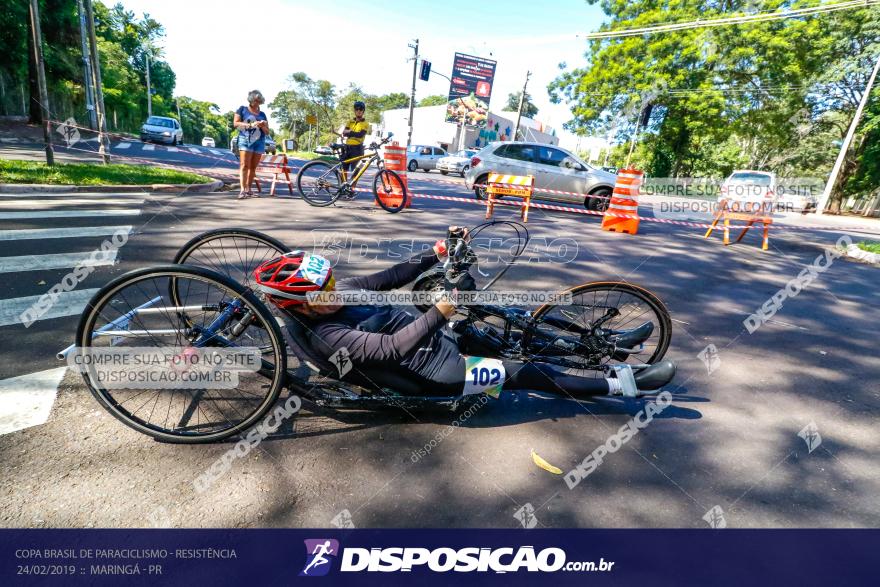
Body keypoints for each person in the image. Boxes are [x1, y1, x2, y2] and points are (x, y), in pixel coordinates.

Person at [254, 228, 676, 399]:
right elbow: (389, 348)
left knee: (504, 320)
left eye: (330, 280)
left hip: (440, 339)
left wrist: (432, 255)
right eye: (322, 289)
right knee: (521, 374)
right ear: (300, 304)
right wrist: (442, 308)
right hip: (437, 373)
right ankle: (621, 385)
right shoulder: (328, 335)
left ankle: (609, 344)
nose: (334, 287)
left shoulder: (337, 293)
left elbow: (386, 277)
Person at [233, 90, 270, 199]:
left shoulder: (263, 114)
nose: (257, 103)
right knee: (244, 165)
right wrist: (251, 125)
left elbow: (267, 132)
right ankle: (242, 190)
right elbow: (235, 124)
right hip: (245, 139)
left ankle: (249, 189)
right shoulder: (242, 109)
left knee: (253, 167)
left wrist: (262, 125)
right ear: (251, 100)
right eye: (255, 101)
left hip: (259, 141)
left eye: (259, 101)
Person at [336, 100, 370, 173]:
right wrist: (351, 133)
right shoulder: (350, 121)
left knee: (355, 172)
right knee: (343, 170)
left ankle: (353, 185)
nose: (358, 111)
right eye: (357, 109)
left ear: (363, 111)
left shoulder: (365, 123)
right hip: (347, 147)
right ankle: (343, 184)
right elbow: (344, 133)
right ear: (354, 110)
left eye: (361, 109)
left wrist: (350, 132)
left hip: (357, 149)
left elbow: (360, 135)